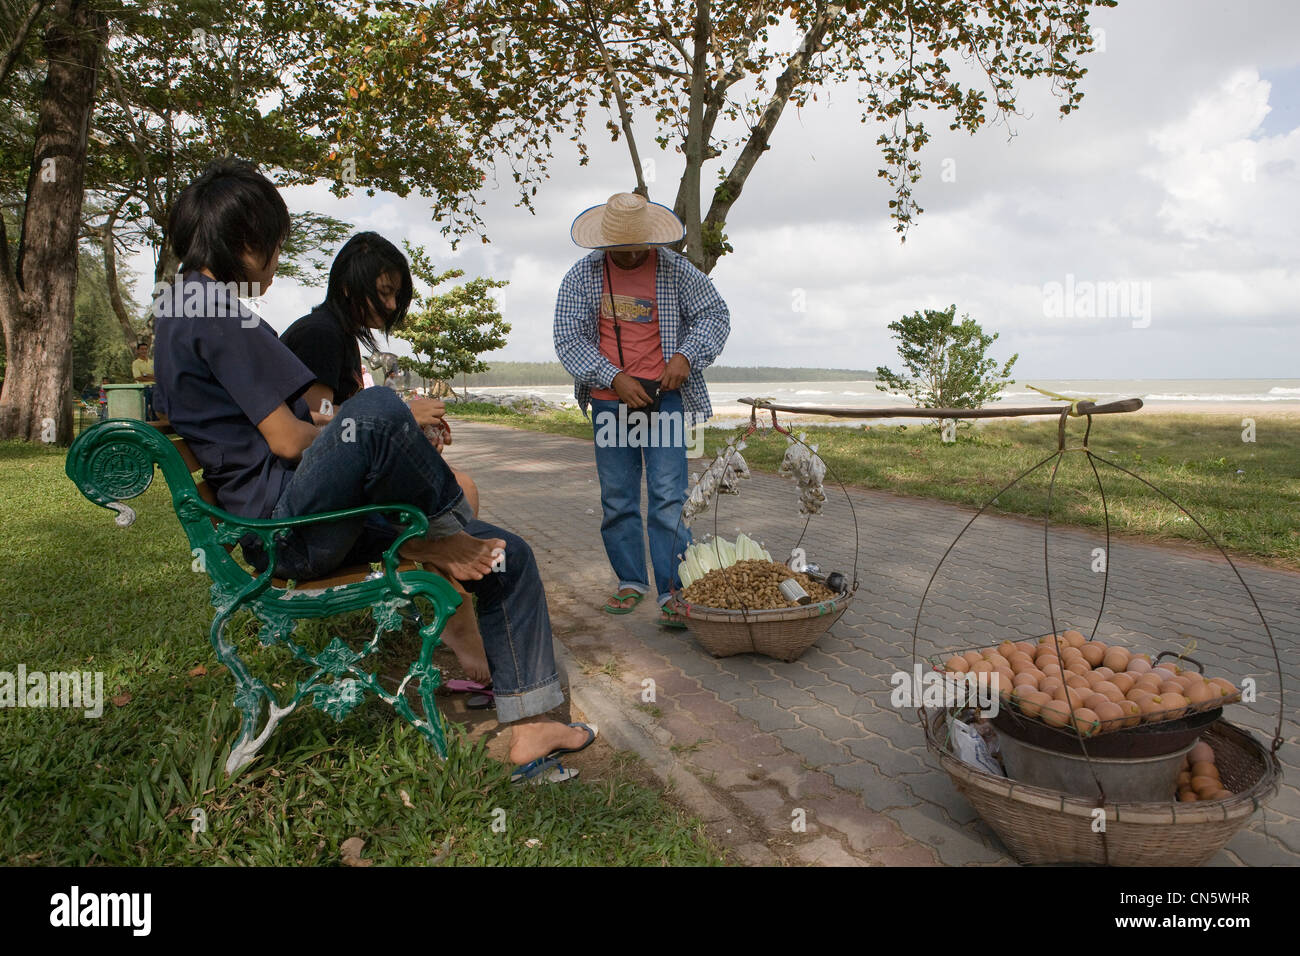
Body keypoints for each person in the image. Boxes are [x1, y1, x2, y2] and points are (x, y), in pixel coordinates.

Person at [152, 159, 592, 780]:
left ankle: (533, 725)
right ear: (245, 241)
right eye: (276, 248)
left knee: (506, 553)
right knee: (384, 407)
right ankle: (436, 533)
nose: (276, 263)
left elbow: (309, 416)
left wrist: (362, 429)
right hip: (286, 532)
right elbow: (286, 438)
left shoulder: (190, 306)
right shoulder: (213, 310)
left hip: (304, 518)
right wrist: (377, 424)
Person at [281, 232, 485, 680]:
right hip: (312, 504)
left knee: (456, 488)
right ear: (351, 287)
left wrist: (409, 437)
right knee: (456, 494)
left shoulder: (340, 335)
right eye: (385, 292)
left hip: (332, 490)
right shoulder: (320, 334)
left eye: (398, 294)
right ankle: (459, 621)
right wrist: (404, 420)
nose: (392, 305)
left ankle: (452, 612)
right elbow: (320, 422)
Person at [554, 192, 730, 625]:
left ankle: (675, 590)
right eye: (621, 247)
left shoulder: (675, 270)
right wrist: (614, 377)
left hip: (665, 401)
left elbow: (714, 315)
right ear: (606, 243)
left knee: (669, 498)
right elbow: (568, 339)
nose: (631, 253)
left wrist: (686, 356)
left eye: (638, 244)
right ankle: (631, 581)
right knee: (617, 498)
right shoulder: (583, 276)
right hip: (609, 404)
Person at [132, 342, 156, 420]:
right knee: (144, 409)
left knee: (156, 409)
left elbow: (158, 375)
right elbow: (138, 377)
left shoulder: (152, 362)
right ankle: (147, 426)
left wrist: (145, 375)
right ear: (138, 351)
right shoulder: (136, 363)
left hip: (155, 387)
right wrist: (152, 377)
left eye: (145, 349)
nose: (144, 351)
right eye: (142, 349)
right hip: (144, 388)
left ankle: (158, 428)